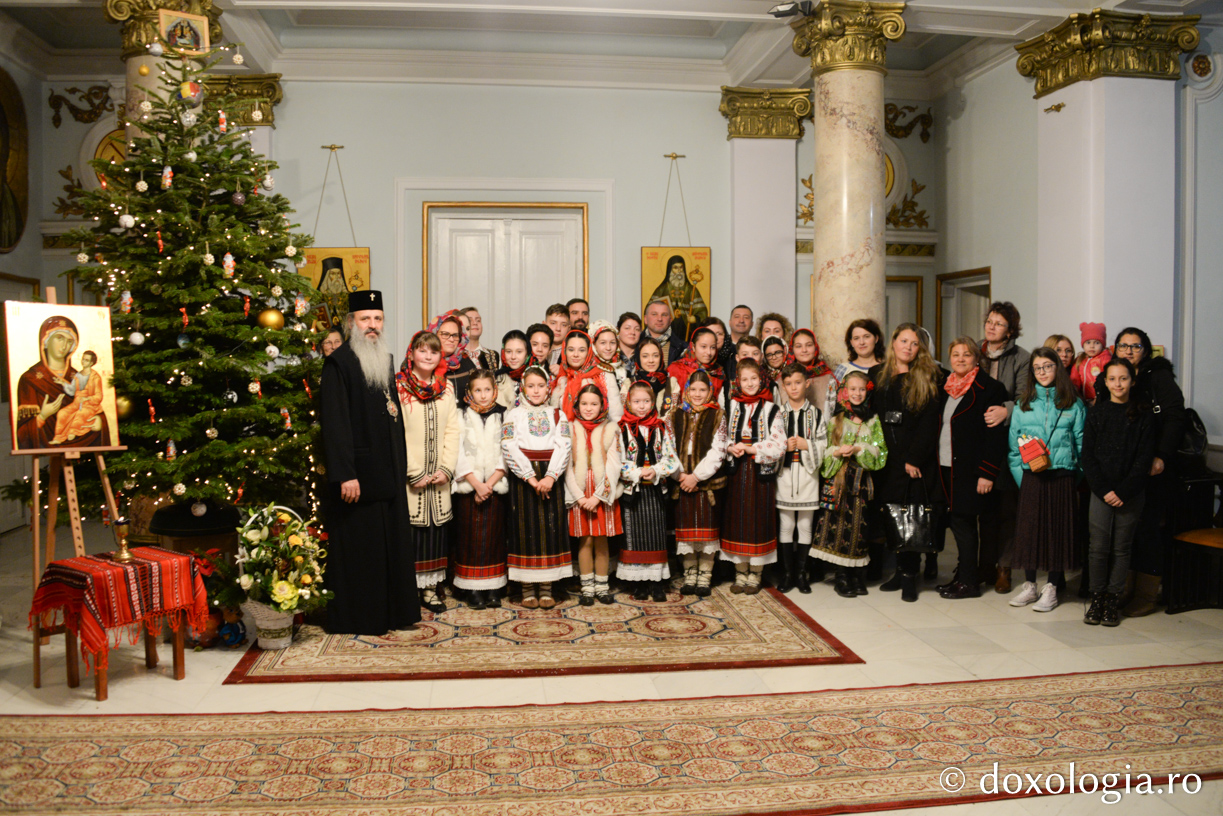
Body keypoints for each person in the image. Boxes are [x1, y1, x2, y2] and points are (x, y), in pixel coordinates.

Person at [318, 290, 419, 635]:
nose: (372, 325)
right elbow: (335, 425)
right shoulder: (339, 364)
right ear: (351, 323)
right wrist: (345, 474)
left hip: (387, 473)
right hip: (358, 478)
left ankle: (393, 613)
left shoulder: (384, 358)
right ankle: (363, 617)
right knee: (364, 550)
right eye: (365, 319)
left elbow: (390, 415)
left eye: (377, 319)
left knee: (389, 547)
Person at [1095, 326, 1186, 617]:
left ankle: (1146, 594)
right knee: (1126, 534)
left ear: (1145, 350)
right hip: (1124, 469)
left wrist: (1161, 456)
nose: (1129, 351)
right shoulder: (1109, 377)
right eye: (1123, 346)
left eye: (1135, 346)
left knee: (1147, 530)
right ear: (1115, 349)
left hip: (1154, 467)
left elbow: (1174, 417)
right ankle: (1124, 590)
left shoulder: (1158, 376)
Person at [1007, 347, 1086, 613]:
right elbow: (1014, 447)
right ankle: (1030, 585)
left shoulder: (1073, 403)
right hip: (1031, 477)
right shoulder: (1022, 404)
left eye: (1048, 366)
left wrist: (1073, 478)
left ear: (1058, 369)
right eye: (1037, 368)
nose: (1042, 372)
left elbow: (1082, 444)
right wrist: (1023, 478)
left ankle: (1051, 587)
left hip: (1062, 475)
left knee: (1057, 532)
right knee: (1029, 531)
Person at [872, 323, 944, 601]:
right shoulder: (878, 375)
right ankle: (900, 571)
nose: (908, 348)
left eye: (914, 344)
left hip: (914, 460)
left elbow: (929, 423)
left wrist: (914, 458)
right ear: (893, 343)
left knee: (912, 517)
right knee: (892, 515)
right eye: (904, 341)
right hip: (887, 458)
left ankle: (911, 576)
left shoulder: (927, 376)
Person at [1081, 357, 1155, 627]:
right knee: (1098, 548)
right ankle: (1097, 598)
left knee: (1122, 548)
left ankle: (1113, 599)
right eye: (1112, 379)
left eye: (1123, 378)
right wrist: (1103, 490)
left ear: (1132, 381)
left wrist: (1123, 491)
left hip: (1130, 492)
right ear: (1106, 382)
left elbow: (1144, 458)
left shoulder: (1143, 415)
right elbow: (1087, 456)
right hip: (1101, 491)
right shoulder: (1097, 412)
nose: (1118, 384)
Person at [934, 338, 1008, 599]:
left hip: (971, 471)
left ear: (977, 358)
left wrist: (987, 472)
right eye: (955, 354)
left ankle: (969, 583)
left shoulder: (990, 388)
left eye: (967, 354)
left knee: (964, 525)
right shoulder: (945, 388)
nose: (961, 358)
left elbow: (995, 437)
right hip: (946, 466)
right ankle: (962, 576)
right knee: (956, 524)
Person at [397, 330, 461, 614]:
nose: (428, 356)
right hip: (411, 477)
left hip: (439, 478)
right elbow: (396, 434)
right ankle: (407, 588)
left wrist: (446, 468)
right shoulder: (398, 388)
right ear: (411, 354)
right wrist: (413, 471)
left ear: (440, 357)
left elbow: (453, 430)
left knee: (436, 533)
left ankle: (430, 588)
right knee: (412, 534)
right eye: (422, 350)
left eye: (434, 352)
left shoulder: (446, 388)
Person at [501, 365, 573, 608]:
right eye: (530, 386)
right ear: (523, 387)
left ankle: (546, 588)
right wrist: (531, 478)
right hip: (524, 480)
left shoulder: (557, 414)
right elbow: (509, 446)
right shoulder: (513, 415)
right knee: (525, 531)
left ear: (548, 387)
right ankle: (527, 588)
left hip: (551, 476)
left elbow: (564, 444)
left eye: (540, 386)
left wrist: (551, 477)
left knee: (550, 530)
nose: (535, 390)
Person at [811, 371, 887, 597]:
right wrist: (837, 452)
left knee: (860, 529)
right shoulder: (836, 419)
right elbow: (824, 452)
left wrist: (859, 449)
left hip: (862, 484)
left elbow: (881, 452)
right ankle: (841, 576)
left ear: (868, 391)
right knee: (839, 527)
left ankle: (856, 575)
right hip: (840, 482)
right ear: (844, 391)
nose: (857, 393)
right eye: (852, 389)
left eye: (861, 389)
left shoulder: (873, 420)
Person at [978, 301, 1031, 594]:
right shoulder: (975, 352)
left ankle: (1004, 567)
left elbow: (1026, 397)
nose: (991, 326)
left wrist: (1005, 410)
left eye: (998, 323)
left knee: (1007, 508)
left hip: (1009, 441)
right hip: (979, 440)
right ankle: (984, 563)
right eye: (989, 320)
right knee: (983, 508)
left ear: (1010, 331)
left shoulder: (1022, 358)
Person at [721, 360, 786, 595]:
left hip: (760, 476)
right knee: (737, 520)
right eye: (745, 379)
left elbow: (779, 445)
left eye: (754, 379)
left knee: (758, 521)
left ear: (762, 380)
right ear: (738, 381)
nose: (750, 383)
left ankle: (756, 573)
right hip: (736, 473)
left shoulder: (771, 409)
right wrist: (729, 446)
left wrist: (752, 449)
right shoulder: (731, 407)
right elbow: (719, 436)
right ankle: (740, 571)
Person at [618, 381, 680, 602]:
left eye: (646, 401)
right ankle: (639, 583)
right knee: (634, 536)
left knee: (655, 535)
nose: (641, 406)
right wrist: (635, 473)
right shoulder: (622, 428)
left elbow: (671, 459)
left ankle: (656, 582)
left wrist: (655, 470)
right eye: (637, 402)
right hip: (632, 492)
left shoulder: (661, 427)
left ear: (653, 402)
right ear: (628, 402)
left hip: (655, 491)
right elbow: (618, 461)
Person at [452, 370, 509, 610]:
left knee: (494, 538)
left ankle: (494, 587)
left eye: (487, 389)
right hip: (469, 486)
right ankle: (472, 588)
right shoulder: (461, 415)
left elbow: (508, 450)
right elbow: (457, 451)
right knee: (470, 538)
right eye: (478, 390)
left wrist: (492, 481)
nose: (483, 395)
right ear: (469, 392)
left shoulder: (504, 414)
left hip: (495, 485)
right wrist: (476, 483)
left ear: (494, 390)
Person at [667, 370, 727, 597]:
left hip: (705, 484)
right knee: (687, 535)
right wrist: (679, 475)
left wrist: (696, 477)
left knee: (706, 534)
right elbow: (668, 447)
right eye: (694, 390)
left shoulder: (718, 415)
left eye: (703, 390)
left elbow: (718, 450)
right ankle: (689, 573)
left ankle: (705, 574)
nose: (698, 394)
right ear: (687, 391)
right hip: (681, 481)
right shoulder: (675, 415)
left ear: (710, 391)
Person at [15, 316, 111, 449]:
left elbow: (96, 405)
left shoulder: (80, 376)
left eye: (69, 341)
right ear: (46, 341)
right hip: (48, 440)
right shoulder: (30, 379)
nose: (65, 345)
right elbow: (23, 435)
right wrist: (42, 416)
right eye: (59, 338)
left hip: (83, 431)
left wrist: (100, 421)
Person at [566, 385, 623, 606]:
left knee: (601, 541)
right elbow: (567, 467)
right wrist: (580, 497)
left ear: (603, 405)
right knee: (585, 540)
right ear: (577, 405)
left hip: (602, 492)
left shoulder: (612, 429)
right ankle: (587, 586)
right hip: (579, 493)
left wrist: (598, 497)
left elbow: (614, 466)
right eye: (584, 404)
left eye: (594, 404)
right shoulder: (570, 429)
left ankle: (602, 586)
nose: (589, 408)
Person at [775, 362, 826, 594]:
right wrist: (783, 446)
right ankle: (787, 574)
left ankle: (802, 574)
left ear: (807, 383)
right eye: (788, 384)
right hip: (784, 475)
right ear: (783, 386)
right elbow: (770, 443)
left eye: (798, 383)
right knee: (786, 524)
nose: (793, 388)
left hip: (807, 476)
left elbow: (825, 444)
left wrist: (808, 445)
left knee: (805, 525)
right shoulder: (777, 414)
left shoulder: (816, 414)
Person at [552, 329, 623, 423]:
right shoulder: (561, 378)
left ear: (589, 351)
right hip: (564, 435)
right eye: (571, 350)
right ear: (564, 351)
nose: (575, 354)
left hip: (597, 434)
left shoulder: (604, 376)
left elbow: (616, 417)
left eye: (582, 350)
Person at [827, 318, 883, 417]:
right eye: (856, 338)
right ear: (851, 342)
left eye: (866, 336)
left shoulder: (887, 369)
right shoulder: (843, 369)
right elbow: (832, 405)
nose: (862, 342)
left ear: (876, 338)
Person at [49, 351, 104, 445]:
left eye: (86, 360)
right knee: (62, 413)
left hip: (90, 405)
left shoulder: (95, 377)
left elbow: (99, 396)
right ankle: (58, 437)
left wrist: (87, 399)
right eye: (83, 359)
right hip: (77, 402)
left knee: (80, 414)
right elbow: (72, 390)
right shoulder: (78, 375)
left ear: (91, 363)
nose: (83, 362)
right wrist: (62, 383)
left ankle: (73, 432)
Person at [647, 254, 709, 338]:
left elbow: (702, 311)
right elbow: (649, 311)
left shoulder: (691, 289)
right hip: (665, 332)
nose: (679, 271)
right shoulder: (662, 289)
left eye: (681, 267)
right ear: (670, 269)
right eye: (675, 268)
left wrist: (695, 318)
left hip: (686, 333)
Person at [428, 310, 477, 401]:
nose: (451, 339)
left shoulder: (467, 362)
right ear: (434, 335)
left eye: (455, 335)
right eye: (445, 334)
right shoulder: (425, 363)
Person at [667, 326, 725, 399]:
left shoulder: (718, 373)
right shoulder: (676, 369)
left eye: (713, 347)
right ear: (693, 347)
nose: (709, 352)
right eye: (703, 346)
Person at [789, 328, 833, 411]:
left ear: (815, 347)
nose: (804, 350)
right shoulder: (786, 376)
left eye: (809, 345)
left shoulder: (827, 376)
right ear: (792, 349)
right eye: (798, 346)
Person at [628, 336, 674, 415]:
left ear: (661, 357)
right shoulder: (629, 383)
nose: (651, 360)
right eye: (645, 356)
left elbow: (673, 413)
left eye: (655, 356)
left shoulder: (671, 383)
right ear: (638, 358)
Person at [1071, 322, 1111, 405]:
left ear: (1103, 345)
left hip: (1101, 400)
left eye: (1096, 343)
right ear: (1083, 344)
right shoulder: (1080, 360)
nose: (1092, 346)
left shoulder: (1106, 359)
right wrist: (1074, 391)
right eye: (1088, 342)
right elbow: (1074, 378)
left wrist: (1099, 397)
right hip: (1083, 400)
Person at [495, 329, 533, 409]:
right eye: (508, 351)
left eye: (519, 352)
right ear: (503, 353)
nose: (513, 357)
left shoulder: (537, 378)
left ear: (527, 354)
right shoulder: (495, 380)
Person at [643, 299, 685, 366]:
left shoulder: (683, 348)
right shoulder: (635, 344)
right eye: (654, 314)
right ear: (645, 319)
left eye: (664, 315)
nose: (659, 319)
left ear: (670, 320)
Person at [589, 319, 628, 393]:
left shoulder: (622, 371)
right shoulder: (588, 371)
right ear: (594, 344)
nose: (608, 348)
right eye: (603, 343)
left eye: (612, 343)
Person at [458, 307, 499, 371]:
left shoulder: (492, 355)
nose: (475, 323)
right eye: (470, 320)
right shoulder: (455, 355)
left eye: (478, 320)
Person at [544, 304, 570, 372]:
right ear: (544, 324)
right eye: (553, 323)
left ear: (569, 328)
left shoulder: (572, 352)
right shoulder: (535, 348)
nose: (558, 329)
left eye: (563, 325)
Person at [616, 312, 643, 378]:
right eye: (627, 328)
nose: (632, 332)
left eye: (637, 329)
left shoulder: (644, 355)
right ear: (618, 330)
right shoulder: (610, 354)